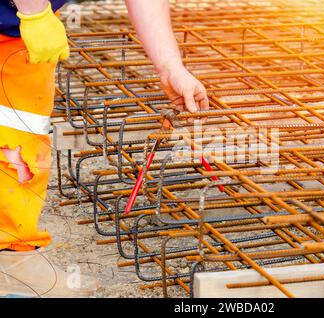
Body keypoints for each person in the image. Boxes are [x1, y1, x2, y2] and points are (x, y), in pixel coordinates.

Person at [0, 0, 208, 297]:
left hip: (17, 29)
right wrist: (34, 12)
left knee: (19, 138)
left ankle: (11, 261)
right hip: (26, 14)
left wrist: (170, 67)